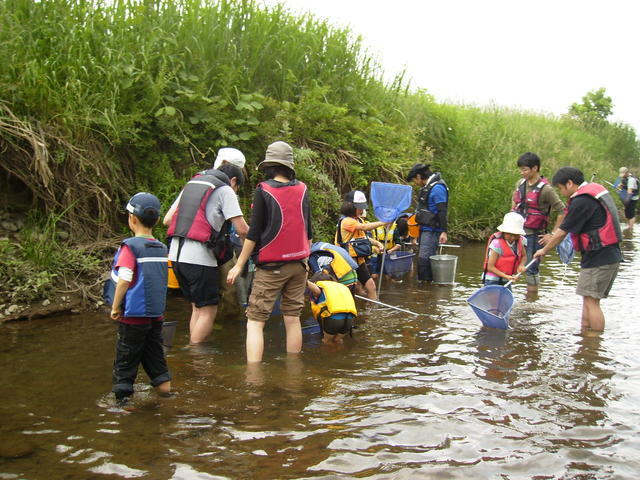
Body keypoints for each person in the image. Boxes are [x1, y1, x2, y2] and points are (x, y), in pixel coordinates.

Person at [227, 141, 312, 363]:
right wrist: (306, 260)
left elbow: (253, 234)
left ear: (270, 166)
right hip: (299, 265)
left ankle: (253, 378)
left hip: (272, 268)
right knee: (292, 318)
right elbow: (308, 230)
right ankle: (294, 371)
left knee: (255, 320)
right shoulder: (303, 189)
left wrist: (238, 265)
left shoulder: (264, 191)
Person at [163, 162, 249, 344]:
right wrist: (252, 249)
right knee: (209, 310)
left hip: (175, 257)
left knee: (197, 308)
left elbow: (168, 219)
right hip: (199, 259)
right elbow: (242, 230)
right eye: (237, 188)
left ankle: (193, 352)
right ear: (233, 181)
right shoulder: (225, 190)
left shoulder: (192, 184)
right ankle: (197, 359)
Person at [534, 167, 623, 332]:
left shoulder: (582, 201)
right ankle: (585, 340)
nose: (561, 192)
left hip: (599, 257)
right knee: (588, 298)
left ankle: (593, 344)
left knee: (592, 302)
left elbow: (561, 232)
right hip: (605, 254)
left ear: (569, 183)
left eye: (560, 188)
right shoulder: (593, 192)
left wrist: (544, 250)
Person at [104, 192, 171, 405]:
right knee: (155, 358)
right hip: (155, 316)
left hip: (133, 317)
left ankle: (123, 405)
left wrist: (115, 307)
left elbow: (124, 278)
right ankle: (165, 392)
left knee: (125, 361)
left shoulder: (130, 247)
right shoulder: (162, 248)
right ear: (157, 220)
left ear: (132, 218)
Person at [511, 152, 565, 292]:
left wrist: (552, 234)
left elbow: (562, 211)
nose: (521, 172)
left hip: (534, 235)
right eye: (520, 169)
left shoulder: (546, 190)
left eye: (524, 169)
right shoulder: (520, 184)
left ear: (535, 168)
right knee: (511, 265)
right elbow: (514, 200)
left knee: (530, 269)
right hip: (517, 233)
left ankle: (532, 301)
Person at [335, 190, 387, 299]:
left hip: (359, 260)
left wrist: (377, 243)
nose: (362, 210)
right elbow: (363, 228)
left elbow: (363, 237)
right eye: (359, 207)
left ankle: (371, 311)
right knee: (353, 288)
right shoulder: (346, 221)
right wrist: (383, 222)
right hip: (346, 261)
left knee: (370, 286)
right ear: (350, 206)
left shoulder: (358, 220)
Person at [406, 164, 449, 283]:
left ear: (419, 176)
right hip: (425, 229)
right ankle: (426, 290)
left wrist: (444, 231)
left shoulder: (437, 188)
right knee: (424, 259)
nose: (415, 183)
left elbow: (442, 211)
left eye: (414, 180)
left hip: (432, 230)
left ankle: (425, 289)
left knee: (424, 259)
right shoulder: (428, 187)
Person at [307, 272, 357, 345]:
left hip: (334, 320)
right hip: (349, 319)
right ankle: (342, 355)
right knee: (338, 340)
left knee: (327, 342)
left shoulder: (319, 288)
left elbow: (311, 286)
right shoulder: (341, 287)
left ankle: (329, 356)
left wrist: (303, 279)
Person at [482, 212, 527, 288]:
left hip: (507, 279)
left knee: (505, 300)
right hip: (492, 280)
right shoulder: (496, 244)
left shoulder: (521, 241)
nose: (512, 237)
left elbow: (524, 256)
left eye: (516, 235)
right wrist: (506, 276)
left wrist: (521, 265)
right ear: (504, 232)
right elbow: (490, 267)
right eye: (509, 234)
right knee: (494, 299)